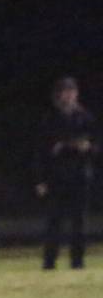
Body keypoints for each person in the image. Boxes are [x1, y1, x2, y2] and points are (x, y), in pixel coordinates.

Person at [34, 77, 98, 269]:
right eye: (64, 92)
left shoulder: (85, 118)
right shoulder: (50, 119)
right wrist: (40, 180)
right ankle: (49, 261)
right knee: (54, 221)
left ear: (76, 94)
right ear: (58, 95)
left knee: (79, 222)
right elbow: (41, 152)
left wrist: (87, 147)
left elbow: (95, 147)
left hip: (79, 176)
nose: (68, 95)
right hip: (56, 177)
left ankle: (77, 261)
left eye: (71, 91)